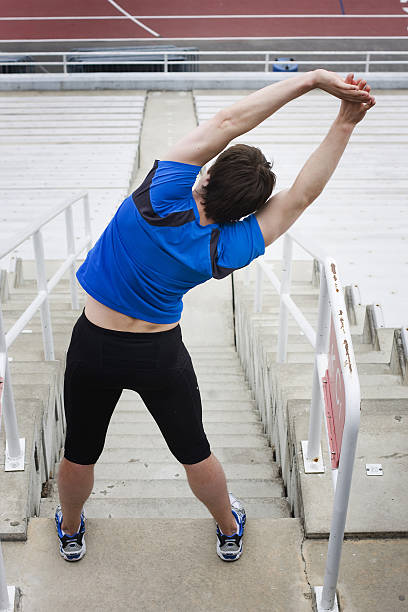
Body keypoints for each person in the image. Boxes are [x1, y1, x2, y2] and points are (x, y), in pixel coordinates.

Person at [54, 70, 375, 562]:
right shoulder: (228, 246)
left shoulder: (161, 196)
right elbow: (302, 196)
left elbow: (228, 121)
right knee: (194, 450)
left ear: (205, 175)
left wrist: (310, 81)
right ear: (246, 212)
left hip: (93, 344)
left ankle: (71, 530)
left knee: (80, 449)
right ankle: (228, 528)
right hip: (159, 356)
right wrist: (346, 123)